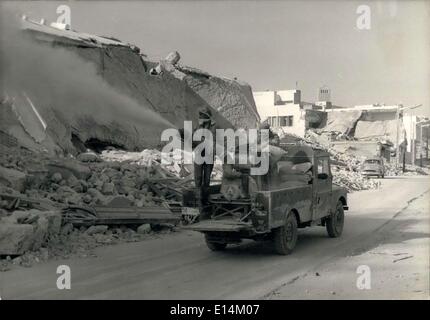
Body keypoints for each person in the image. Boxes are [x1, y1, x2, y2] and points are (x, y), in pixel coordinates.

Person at [193, 108, 217, 217]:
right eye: (200, 116)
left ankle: (206, 202)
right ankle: (198, 203)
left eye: (203, 116)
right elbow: (193, 140)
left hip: (208, 156)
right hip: (199, 156)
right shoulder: (198, 127)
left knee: (206, 181)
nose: (201, 118)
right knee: (198, 179)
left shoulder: (213, 127)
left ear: (207, 117)